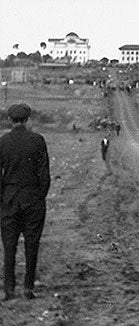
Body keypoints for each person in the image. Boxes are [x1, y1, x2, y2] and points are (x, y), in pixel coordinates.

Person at [0, 104, 51, 300]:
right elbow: (44, 175)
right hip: (32, 200)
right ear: (27, 119)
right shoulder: (38, 141)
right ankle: (28, 288)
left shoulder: (2, 142)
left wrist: (3, 200)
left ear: (10, 120)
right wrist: (39, 197)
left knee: (9, 246)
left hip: (9, 201)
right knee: (32, 245)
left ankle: (9, 289)